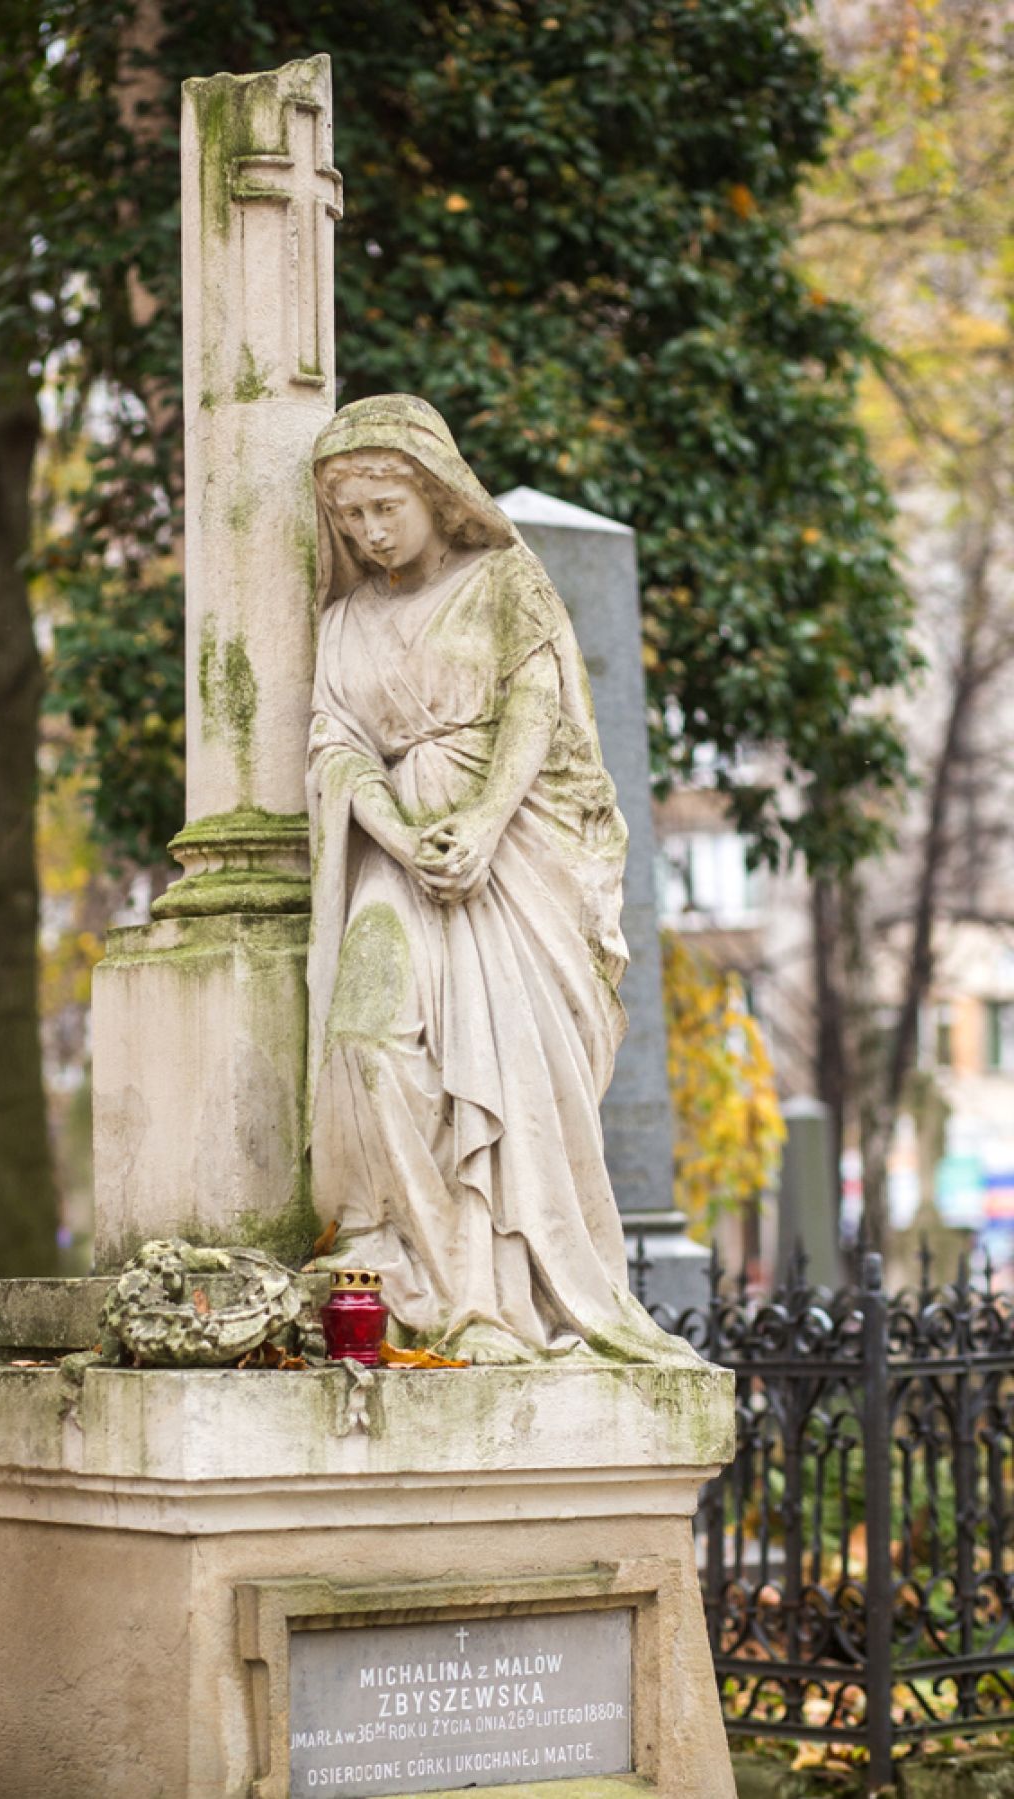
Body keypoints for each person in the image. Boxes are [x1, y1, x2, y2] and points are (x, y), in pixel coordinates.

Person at [306, 393, 691, 1365]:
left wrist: (480, 824)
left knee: (510, 1075)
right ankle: (421, 1274)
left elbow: (536, 708)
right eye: (350, 516)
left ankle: (493, 1298)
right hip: (399, 853)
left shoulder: (504, 580)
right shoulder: (344, 620)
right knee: (366, 1035)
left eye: (385, 506)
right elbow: (336, 747)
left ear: (438, 494)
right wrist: (401, 836)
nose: (369, 530)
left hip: (509, 854)